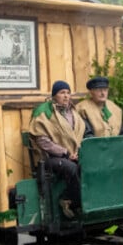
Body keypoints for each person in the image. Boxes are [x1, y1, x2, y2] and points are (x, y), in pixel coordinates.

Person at [28, 80, 86, 219]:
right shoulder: (45, 113)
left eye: (68, 92)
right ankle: (70, 201)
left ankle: (82, 201)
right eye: (62, 93)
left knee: (89, 165)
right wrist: (65, 153)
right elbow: (43, 141)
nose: (66, 96)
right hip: (50, 159)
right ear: (54, 96)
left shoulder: (74, 112)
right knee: (71, 168)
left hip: (74, 154)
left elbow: (81, 134)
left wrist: (78, 152)